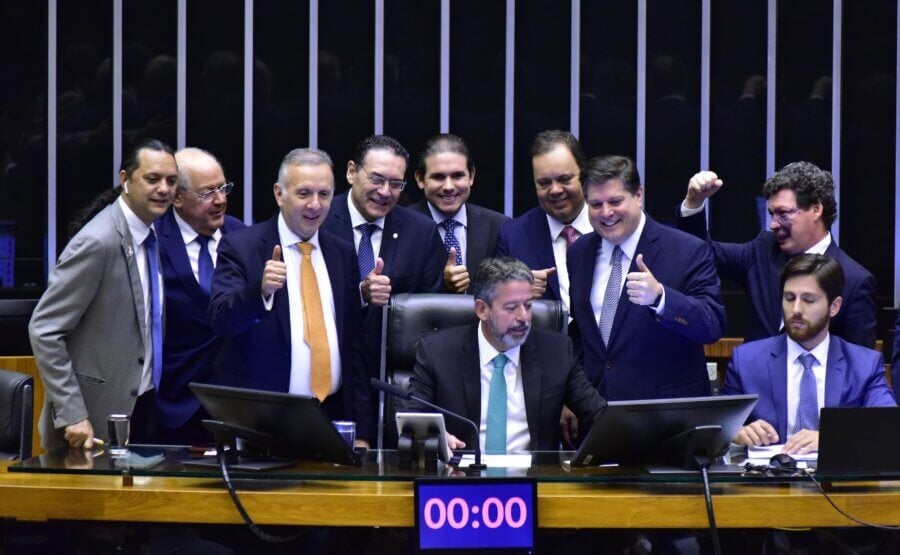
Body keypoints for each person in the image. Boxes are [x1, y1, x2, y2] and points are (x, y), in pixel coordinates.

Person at [209, 148, 366, 445]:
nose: (315, 205)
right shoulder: (242, 246)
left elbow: (353, 346)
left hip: (331, 414)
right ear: (279, 194)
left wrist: (364, 430)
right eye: (304, 193)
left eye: (324, 194)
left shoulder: (342, 252)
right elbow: (221, 319)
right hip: (264, 419)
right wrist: (259, 291)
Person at [29, 139, 177, 450]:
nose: (163, 189)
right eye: (152, 179)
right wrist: (72, 414)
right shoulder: (99, 241)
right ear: (125, 180)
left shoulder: (150, 233)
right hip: (88, 424)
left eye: (171, 181)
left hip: (140, 406)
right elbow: (44, 329)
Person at [404, 257, 606, 452]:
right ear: (482, 309)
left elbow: (599, 415)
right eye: (511, 308)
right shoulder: (438, 351)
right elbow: (409, 421)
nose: (523, 317)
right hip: (462, 477)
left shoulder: (557, 351)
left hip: (534, 479)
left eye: (528, 305)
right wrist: (436, 438)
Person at [568, 155, 726, 402]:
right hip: (598, 414)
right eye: (596, 204)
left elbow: (713, 324)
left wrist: (662, 298)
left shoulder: (687, 249)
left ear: (638, 195)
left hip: (666, 417)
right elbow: (580, 331)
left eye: (615, 201)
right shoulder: (579, 252)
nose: (606, 213)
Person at [321, 134, 445, 443]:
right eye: (376, 179)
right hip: (330, 381)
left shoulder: (421, 232)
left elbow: (428, 314)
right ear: (352, 172)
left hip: (392, 386)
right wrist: (360, 296)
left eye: (396, 184)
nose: (385, 192)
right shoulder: (319, 220)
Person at [677, 162, 877, 348]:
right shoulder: (763, 250)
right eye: (772, 214)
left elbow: (860, 365)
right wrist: (694, 203)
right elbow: (701, 254)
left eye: (783, 213)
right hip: (756, 383)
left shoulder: (854, 281)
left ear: (816, 209)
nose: (774, 224)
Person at [724, 254, 895, 455]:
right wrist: (736, 432)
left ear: (834, 306)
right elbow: (719, 425)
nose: (796, 309)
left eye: (808, 300)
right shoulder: (746, 361)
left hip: (837, 481)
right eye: (789, 298)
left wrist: (831, 438)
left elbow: (888, 427)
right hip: (767, 480)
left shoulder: (864, 364)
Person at [155, 147, 244, 444]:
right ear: (176, 197)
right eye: (208, 193)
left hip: (234, 406)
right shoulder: (152, 240)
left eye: (223, 188)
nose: (220, 200)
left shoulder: (242, 236)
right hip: (171, 404)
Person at [496, 130, 592, 314]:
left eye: (564, 179)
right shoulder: (513, 236)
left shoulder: (612, 224)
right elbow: (494, 301)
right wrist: (517, 290)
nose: (555, 190)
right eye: (544, 183)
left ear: (583, 174)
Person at [410, 133, 509, 293]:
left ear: (471, 176)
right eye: (438, 177)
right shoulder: (403, 226)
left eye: (457, 176)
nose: (448, 186)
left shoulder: (498, 227)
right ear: (420, 179)